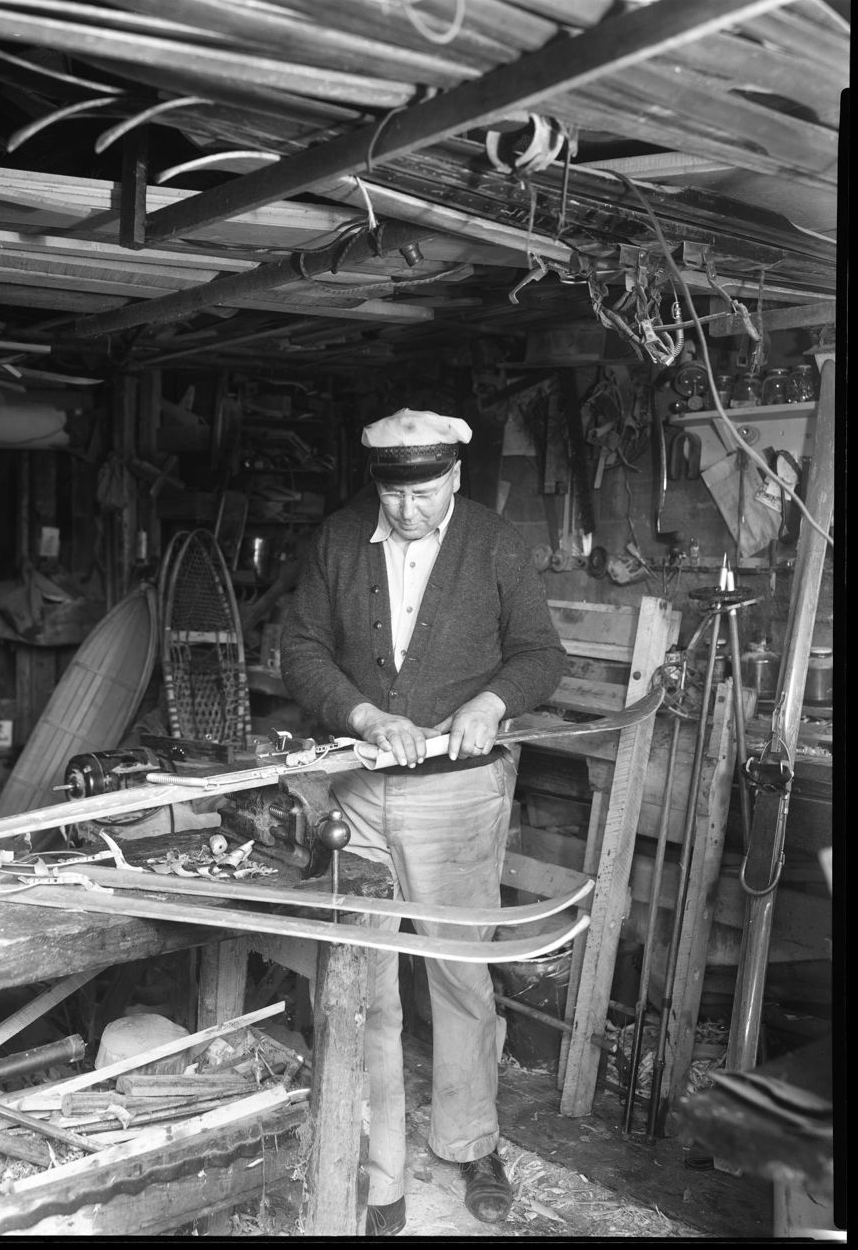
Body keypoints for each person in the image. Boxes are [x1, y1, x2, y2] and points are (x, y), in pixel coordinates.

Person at [279, 407, 568, 1235]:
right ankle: (380, 1171)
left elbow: (542, 653)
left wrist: (492, 702)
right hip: (361, 793)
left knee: (459, 972)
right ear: (377, 482)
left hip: (460, 795)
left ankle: (470, 1141)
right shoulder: (339, 541)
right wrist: (366, 716)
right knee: (363, 980)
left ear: (456, 476)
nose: (409, 509)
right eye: (395, 494)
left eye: (426, 492)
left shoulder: (494, 543)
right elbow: (301, 650)